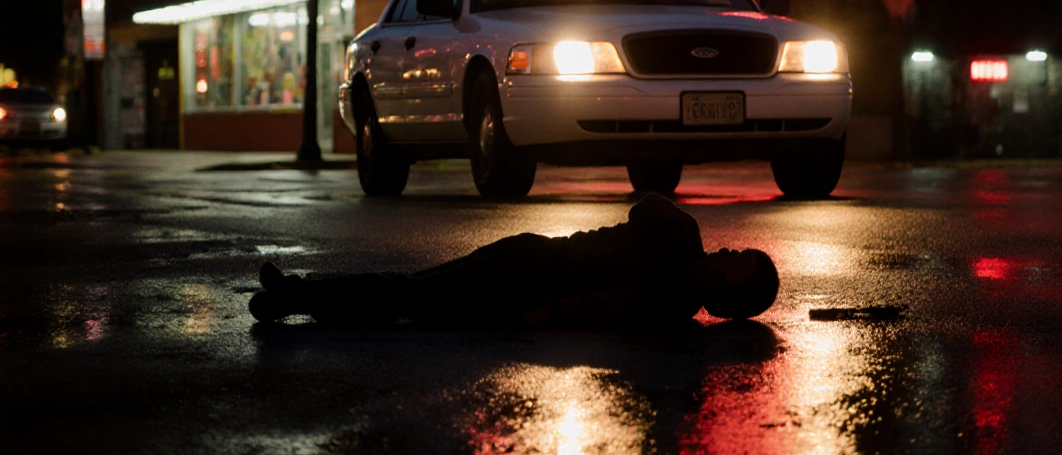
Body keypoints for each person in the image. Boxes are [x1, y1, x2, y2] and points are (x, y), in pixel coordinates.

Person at [248, 194, 779, 327]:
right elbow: (646, 206)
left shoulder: (675, 301)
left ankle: (296, 298)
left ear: (726, 300)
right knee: (412, 288)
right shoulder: (685, 234)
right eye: (738, 252)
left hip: (525, 289)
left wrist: (545, 314)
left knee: (408, 296)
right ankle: (297, 293)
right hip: (531, 255)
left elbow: (605, 305)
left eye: (736, 266)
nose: (729, 253)